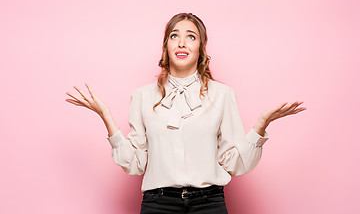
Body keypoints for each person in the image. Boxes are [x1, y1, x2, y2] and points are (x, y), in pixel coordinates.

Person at [65, 13, 306, 214]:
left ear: (200, 48)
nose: (182, 43)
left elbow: (233, 162)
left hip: (209, 204)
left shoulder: (222, 95)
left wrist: (260, 126)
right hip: (158, 204)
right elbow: (136, 164)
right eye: (174, 36)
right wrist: (105, 116)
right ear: (166, 46)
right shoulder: (142, 97)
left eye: (191, 37)